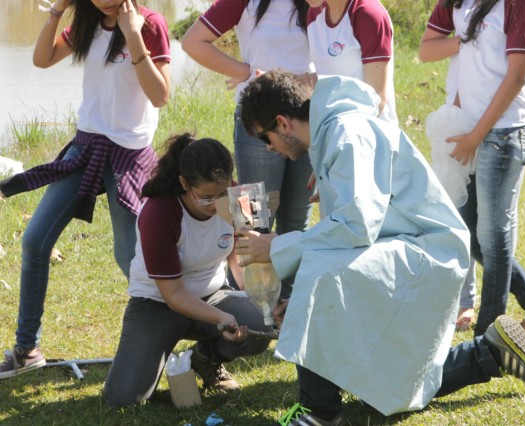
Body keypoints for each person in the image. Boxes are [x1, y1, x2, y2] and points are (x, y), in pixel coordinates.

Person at [236, 70, 525, 425]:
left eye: (264, 137)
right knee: (386, 387)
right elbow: (351, 233)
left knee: (318, 274)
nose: (268, 147)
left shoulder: (347, 133)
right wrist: (300, 304)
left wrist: (277, 246)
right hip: (403, 247)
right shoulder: (334, 131)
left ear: (282, 123)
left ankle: (321, 413)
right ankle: (490, 353)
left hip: (427, 251)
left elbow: (356, 226)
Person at [0, 0, 170, 379]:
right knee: (35, 240)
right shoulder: (87, 22)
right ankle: (27, 349)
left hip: (129, 155)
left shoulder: (150, 23)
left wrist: (132, 35)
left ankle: (167, 341)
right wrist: (56, 11)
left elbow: (160, 96)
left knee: (131, 259)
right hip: (87, 146)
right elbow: (42, 60)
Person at [418, 0, 525, 336]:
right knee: (468, 229)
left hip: (505, 133)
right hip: (469, 128)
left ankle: (490, 331)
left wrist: (476, 136)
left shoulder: (521, 3)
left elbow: (516, 78)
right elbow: (428, 50)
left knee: (492, 233)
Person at [103, 134, 271, 406]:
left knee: (259, 325)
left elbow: (242, 254)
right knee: (122, 399)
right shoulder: (157, 213)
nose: (216, 204)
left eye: (222, 193)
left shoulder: (240, 197)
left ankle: (204, 359)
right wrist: (223, 318)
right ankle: (158, 351)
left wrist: (258, 297)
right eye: (206, 197)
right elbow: (174, 295)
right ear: (183, 183)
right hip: (157, 302)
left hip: (213, 294)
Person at [181, 0, 314, 298]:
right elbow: (193, 41)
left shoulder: (315, 3)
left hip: (307, 118)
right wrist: (246, 71)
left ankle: (291, 306)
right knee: (252, 222)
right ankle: (252, 304)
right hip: (258, 122)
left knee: (296, 223)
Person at [306, 0, 397, 125]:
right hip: (330, 127)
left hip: (370, 133)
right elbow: (326, 75)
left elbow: (376, 100)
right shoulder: (314, 13)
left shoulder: (369, 14)